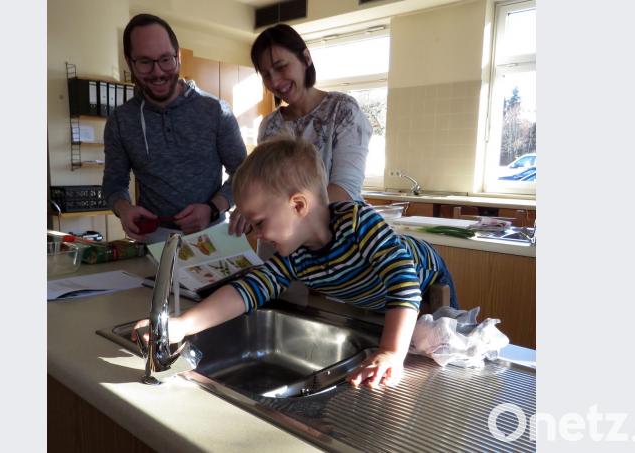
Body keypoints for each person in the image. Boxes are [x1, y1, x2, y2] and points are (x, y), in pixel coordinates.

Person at [133, 137, 457, 388]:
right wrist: (182, 325)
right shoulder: (295, 256)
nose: (257, 234)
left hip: (428, 280)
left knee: (446, 354)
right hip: (377, 300)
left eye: (260, 222)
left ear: (298, 205)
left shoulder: (358, 223)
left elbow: (403, 280)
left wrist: (391, 352)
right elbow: (249, 289)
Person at [103, 14, 246, 242]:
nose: (158, 72)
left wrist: (212, 208)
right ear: (130, 63)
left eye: (165, 59)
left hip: (213, 235)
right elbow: (113, 184)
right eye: (145, 62)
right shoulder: (120, 121)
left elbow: (243, 173)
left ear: (178, 57)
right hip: (153, 239)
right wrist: (124, 209)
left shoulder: (216, 111)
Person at [228, 23, 372, 236]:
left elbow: (345, 190)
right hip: (281, 242)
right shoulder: (270, 125)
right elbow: (266, 188)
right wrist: (248, 209)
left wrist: (278, 214)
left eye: (281, 67)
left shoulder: (342, 110)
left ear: (306, 58)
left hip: (335, 239)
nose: (275, 82)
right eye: (266, 75)